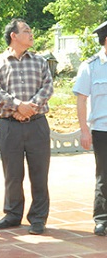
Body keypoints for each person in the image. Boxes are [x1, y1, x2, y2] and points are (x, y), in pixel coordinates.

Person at [0, 18, 53, 235]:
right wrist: (17, 106)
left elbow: (48, 87)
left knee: (39, 173)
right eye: (26, 30)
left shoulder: (40, 61)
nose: (31, 34)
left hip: (37, 124)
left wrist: (30, 108)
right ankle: (13, 214)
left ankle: (38, 218)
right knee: (13, 173)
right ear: (13, 36)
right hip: (9, 125)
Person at [73, 20, 107, 236]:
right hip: (102, 129)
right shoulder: (90, 66)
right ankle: (102, 218)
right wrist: (84, 131)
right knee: (104, 175)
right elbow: (81, 100)